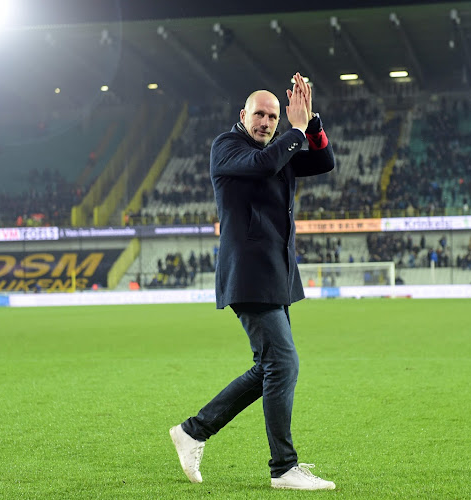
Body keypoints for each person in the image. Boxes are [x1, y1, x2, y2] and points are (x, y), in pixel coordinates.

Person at [169, 73, 336, 491]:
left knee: (270, 367)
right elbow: (263, 165)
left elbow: (323, 161)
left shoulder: (281, 147)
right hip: (248, 274)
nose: (265, 121)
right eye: (258, 114)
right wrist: (295, 130)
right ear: (242, 115)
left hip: (274, 274)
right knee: (283, 364)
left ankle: (193, 431)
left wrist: (310, 122)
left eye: (273, 116)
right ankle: (283, 467)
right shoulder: (227, 147)